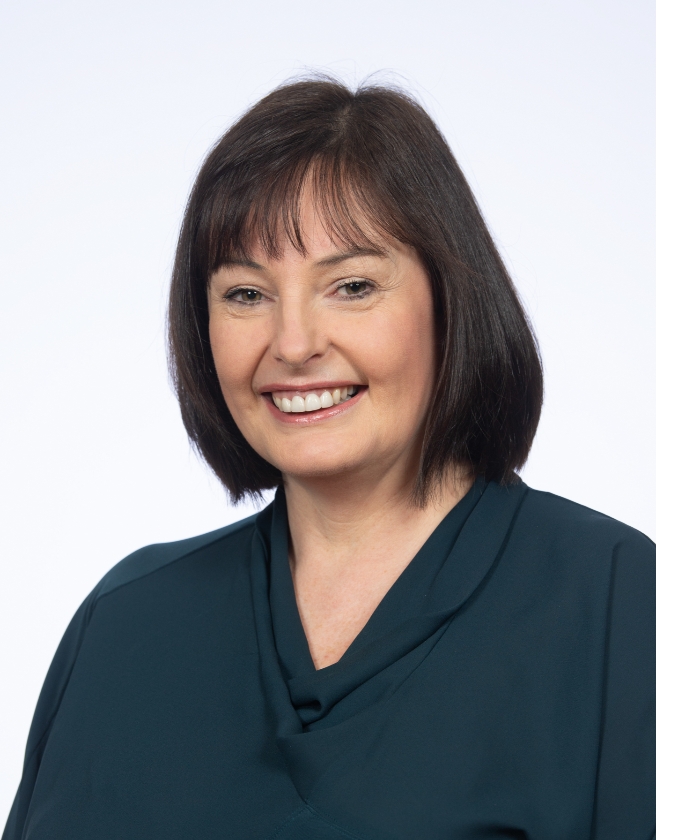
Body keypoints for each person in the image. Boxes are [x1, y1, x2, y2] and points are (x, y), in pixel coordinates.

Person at [3, 79, 654, 840]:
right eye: (246, 294)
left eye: (351, 286)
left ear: (450, 301)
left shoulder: (623, 607)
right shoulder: (127, 626)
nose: (294, 344)